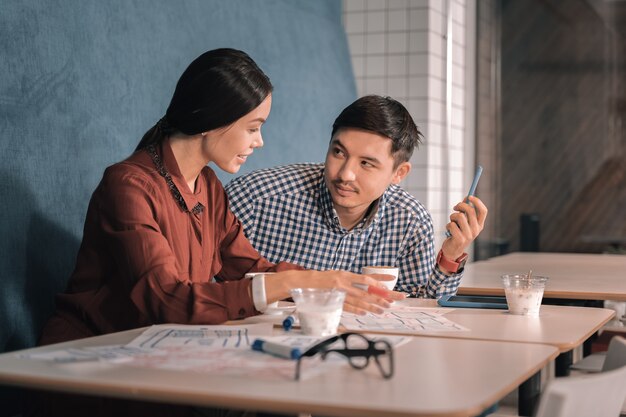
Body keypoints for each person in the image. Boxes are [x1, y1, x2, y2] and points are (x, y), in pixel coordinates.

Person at [27, 49, 403, 417]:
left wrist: (320, 288)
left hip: (154, 353)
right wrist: (299, 282)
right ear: (212, 119)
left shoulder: (208, 185)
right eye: (253, 128)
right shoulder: (127, 185)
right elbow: (166, 299)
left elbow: (246, 265)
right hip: (92, 365)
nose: (259, 142)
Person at [226, 95, 488, 298]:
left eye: (366, 163)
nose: (345, 174)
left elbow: (422, 307)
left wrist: (451, 255)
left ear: (399, 173)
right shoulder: (256, 199)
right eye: (339, 152)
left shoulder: (410, 221)